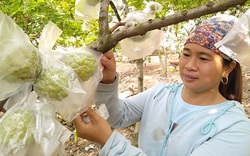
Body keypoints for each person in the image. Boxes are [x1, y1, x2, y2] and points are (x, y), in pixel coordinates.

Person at [73, 14, 250, 156]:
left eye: (203, 58)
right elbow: (119, 116)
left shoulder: (234, 128)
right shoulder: (162, 93)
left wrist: (110, 142)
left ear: (228, 68)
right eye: (186, 54)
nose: (189, 65)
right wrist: (107, 81)